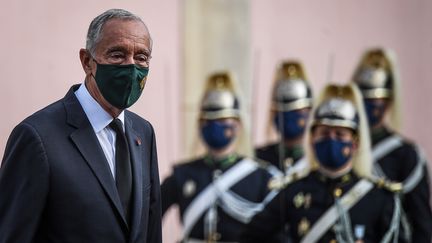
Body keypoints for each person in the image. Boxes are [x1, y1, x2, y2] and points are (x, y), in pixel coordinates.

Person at [0, 9, 161, 243]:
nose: (131, 67)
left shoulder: (143, 132)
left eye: (141, 57)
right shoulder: (37, 137)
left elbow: (151, 231)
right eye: (117, 55)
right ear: (87, 62)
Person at [241, 84, 402, 243]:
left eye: (340, 134)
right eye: (324, 133)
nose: (331, 139)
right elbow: (251, 237)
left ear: (355, 143)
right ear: (311, 140)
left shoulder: (378, 198)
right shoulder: (294, 191)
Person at [161, 72, 280, 242]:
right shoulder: (182, 174)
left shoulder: (262, 177)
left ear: (237, 125)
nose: (214, 125)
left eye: (223, 119)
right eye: (208, 120)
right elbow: (149, 220)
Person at [352, 48, 432, 242]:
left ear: (387, 101)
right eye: (362, 96)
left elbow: (422, 226)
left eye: (374, 99)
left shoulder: (406, 156)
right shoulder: (341, 147)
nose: (366, 104)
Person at [256, 60, 313, 175]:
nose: (289, 114)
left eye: (296, 110)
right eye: (281, 109)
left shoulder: (316, 159)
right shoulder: (258, 158)